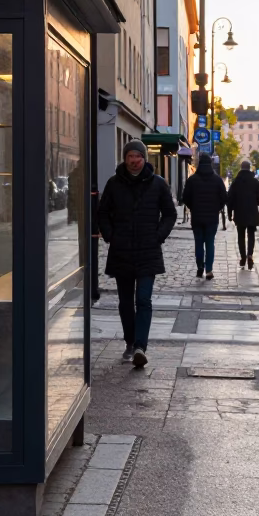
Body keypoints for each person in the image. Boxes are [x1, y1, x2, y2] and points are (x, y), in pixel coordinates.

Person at [97, 140, 176, 368]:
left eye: (138, 157)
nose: (134, 161)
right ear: (125, 158)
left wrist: (158, 235)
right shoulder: (114, 184)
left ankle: (141, 346)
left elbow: (169, 214)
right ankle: (130, 342)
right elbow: (102, 213)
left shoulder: (158, 184)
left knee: (143, 299)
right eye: (130, 156)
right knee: (124, 302)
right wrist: (111, 235)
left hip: (148, 250)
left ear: (144, 158)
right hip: (121, 250)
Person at [181, 155, 228, 280]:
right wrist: (217, 208)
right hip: (212, 218)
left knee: (198, 243)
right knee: (210, 243)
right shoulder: (217, 180)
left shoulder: (192, 180)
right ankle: (209, 270)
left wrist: (193, 207)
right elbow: (224, 197)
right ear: (211, 164)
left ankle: (200, 267)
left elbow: (185, 198)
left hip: (196, 217)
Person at [227, 160, 259, 271]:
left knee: (240, 236)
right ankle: (250, 255)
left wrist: (229, 213)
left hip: (239, 213)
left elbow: (230, 199)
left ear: (241, 168)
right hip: (252, 213)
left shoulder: (236, 182)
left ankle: (243, 257)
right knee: (251, 234)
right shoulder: (255, 182)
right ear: (249, 168)